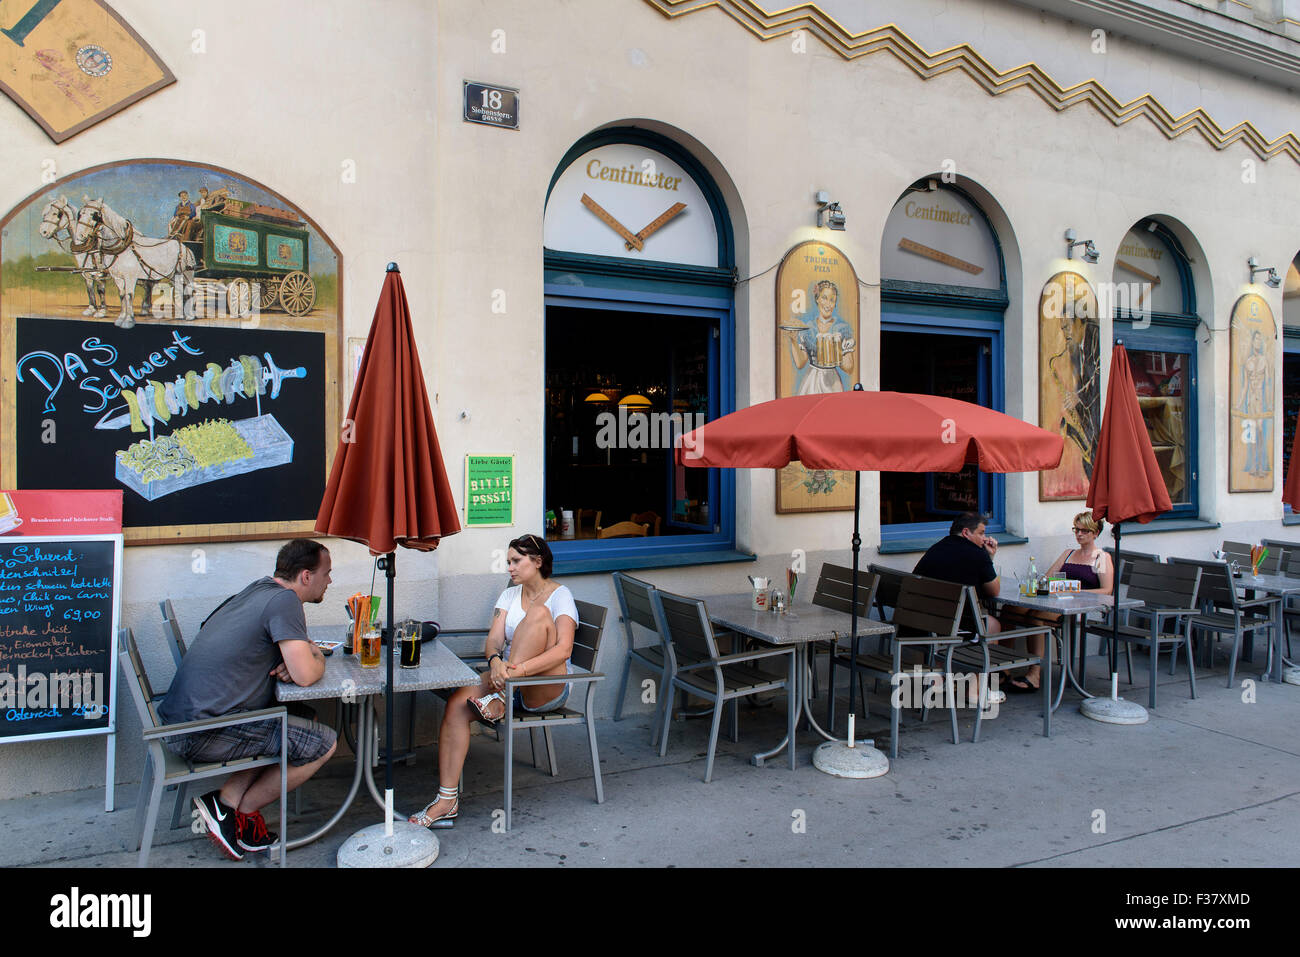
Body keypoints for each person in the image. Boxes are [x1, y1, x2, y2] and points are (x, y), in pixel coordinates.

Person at [158, 539, 338, 860]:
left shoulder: (258, 589)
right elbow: (307, 675)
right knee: (324, 743)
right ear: (306, 576)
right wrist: (313, 655)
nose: (330, 581)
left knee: (302, 717)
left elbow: (223, 635)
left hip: (184, 722)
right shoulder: (285, 601)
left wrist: (285, 657)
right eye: (327, 573)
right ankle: (235, 809)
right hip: (207, 732)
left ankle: (231, 807)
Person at [409, 534, 577, 828]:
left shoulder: (560, 595)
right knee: (457, 704)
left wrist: (514, 672)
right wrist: (495, 662)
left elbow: (563, 650)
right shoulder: (509, 595)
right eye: (509, 561)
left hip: (546, 683)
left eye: (516, 561)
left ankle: (501, 697)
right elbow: (494, 640)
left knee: (537, 614)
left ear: (537, 562)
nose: (509, 567)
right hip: (508, 677)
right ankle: (446, 800)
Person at [1001, 511, 1114, 693]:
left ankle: (1034, 674)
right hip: (1056, 601)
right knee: (1009, 609)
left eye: (1084, 531)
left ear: (1095, 533)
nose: (1079, 534)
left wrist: (1073, 590)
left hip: (1077, 607)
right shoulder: (1068, 553)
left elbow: (1106, 590)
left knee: (1035, 616)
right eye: (1076, 529)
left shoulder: (1101, 557)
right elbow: (1047, 578)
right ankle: (1003, 668)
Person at [913, 511, 1003, 636]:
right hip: (953, 623)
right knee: (993, 625)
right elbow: (994, 591)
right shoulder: (978, 554)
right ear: (966, 532)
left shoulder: (936, 548)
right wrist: (989, 556)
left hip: (918, 619)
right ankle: (988, 656)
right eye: (981, 533)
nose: (985, 538)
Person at [782, 279, 857, 395]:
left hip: (832, 382)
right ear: (817, 299)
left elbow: (849, 367)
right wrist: (793, 340)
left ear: (835, 302)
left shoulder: (842, 328)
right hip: (812, 380)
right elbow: (800, 363)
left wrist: (835, 354)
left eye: (832, 300)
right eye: (824, 298)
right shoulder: (808, 327)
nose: (828, 304)